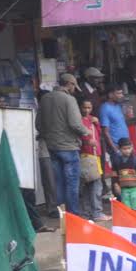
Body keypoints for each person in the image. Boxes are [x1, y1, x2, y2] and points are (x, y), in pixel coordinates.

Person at [37, 74, 86, 216]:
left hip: (52, 147)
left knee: (58, 182)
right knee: (72, 182)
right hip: (69, 147)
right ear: (69, 84)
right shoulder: (69, 100)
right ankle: (73, 214)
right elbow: (75, 124)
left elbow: (38, 124)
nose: (74, 90)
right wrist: (88, 132)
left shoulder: (45, 99)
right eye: (73, 86)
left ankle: (62, 213)